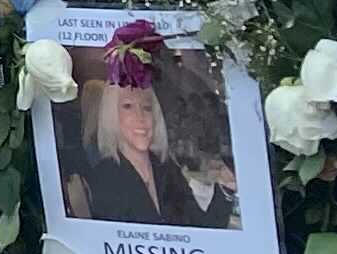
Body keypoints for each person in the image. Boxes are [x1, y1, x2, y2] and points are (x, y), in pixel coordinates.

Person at [71, 76, 228, 228]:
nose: (140, 117)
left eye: (146, 107)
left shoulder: (166, 168)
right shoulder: (106, 177)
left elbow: (201, 227)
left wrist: (226, 189)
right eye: (128, 106)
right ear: (112, 116)